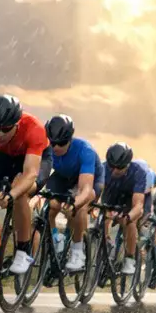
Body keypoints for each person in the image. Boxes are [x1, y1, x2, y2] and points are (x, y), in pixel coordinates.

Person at [0, 95, 48, 277]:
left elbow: (30, 174)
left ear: (17, 123)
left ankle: (24, 250)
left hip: (33, 159)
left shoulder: (34, 128)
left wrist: (11, 195)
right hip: (5, 155)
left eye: (6, 129)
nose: (0, 134)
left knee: (21, 191)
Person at [38, 114, 100, 273]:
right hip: (63, 176)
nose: (56, 147)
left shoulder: (85, 150)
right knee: (51, 204)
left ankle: (78, 251)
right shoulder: (46, 147)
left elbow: (85, 189)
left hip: (89, 179)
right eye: (53, 143)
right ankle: (56, 239)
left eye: (61, 143)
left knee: (79, 206)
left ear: (70, 139)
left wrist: (75, 203)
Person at [99, 143, 152, 277]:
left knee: (131, 222)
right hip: (111, 194)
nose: (115, 170)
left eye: (120, 167)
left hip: (129, 199)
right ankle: (106, 244)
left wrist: (128, 217)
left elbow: (138, 206)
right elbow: (97, 192)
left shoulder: (138, 172)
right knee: (103, 216)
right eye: (112, 166)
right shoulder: (103, 168)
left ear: (128, 164)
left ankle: (129, 258)